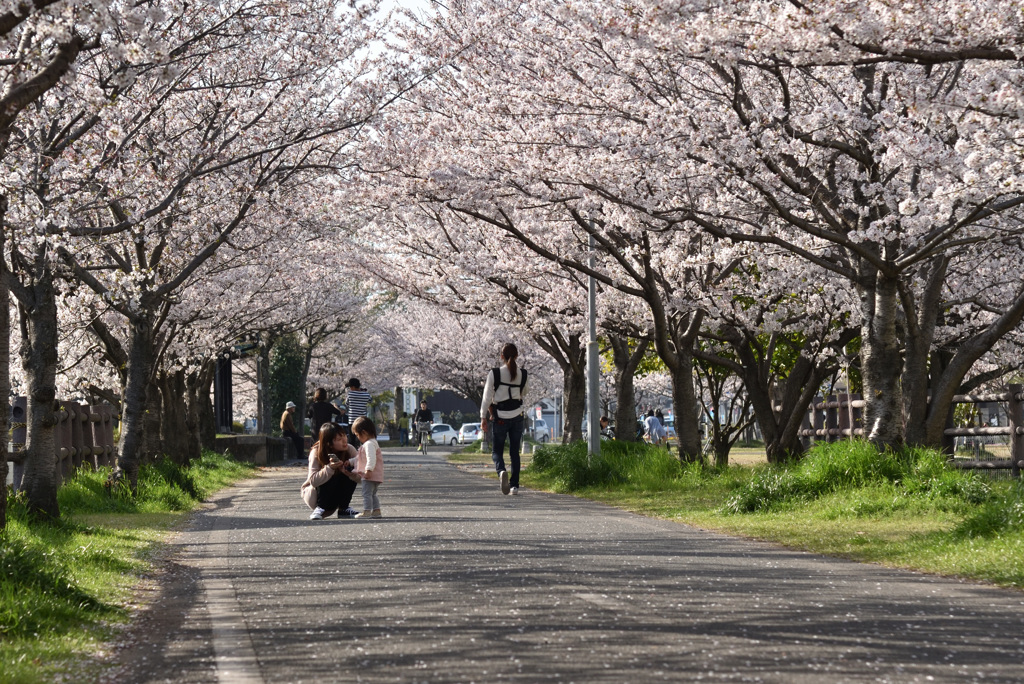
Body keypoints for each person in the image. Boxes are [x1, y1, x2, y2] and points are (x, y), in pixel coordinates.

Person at [481, 342, 528, 496]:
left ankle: (501, 471)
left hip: (500, 415)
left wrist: (483, 416)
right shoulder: (523, 374)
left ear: (501, 356)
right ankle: (514, 486)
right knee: (515, 452)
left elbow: (487, 396)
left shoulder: (495, 373)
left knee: (497, 451)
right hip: (517, 416)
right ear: (516, 356)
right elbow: (524, 393)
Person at [301, 423, 361, 520]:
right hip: (316, 497)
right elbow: (313, 481)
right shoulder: (316, 452)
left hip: (336, 496)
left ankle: (344, 509)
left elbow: (362, 478)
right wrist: (329, 468)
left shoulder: (349, 449)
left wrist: (350, 474)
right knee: (328, 474)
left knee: (348, 472)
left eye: (345, 436)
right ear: (329, 443)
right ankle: (320, 508)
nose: (344, 441)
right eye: (339, 439)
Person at [352, 416, 384, 518]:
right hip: (376, 474)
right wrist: (350, 462)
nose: (357, 437)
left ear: (364, 432)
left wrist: (368, 470)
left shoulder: (369, 444)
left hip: (369, 474)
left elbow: (371, 458)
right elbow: (360, 458)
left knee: (366, 494)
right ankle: (376, 510)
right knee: (373, 494)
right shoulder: (372, 443)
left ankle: (367, 511)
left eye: (357, 435)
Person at [345, 378, 371, 446]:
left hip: (352, 420)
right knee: (363, 439)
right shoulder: (366, 394)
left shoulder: (350, 394)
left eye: (350, 387)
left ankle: (353, 454)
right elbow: (370, 400)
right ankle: (364, 453)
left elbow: (346, 404)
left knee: (352, 440)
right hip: (362, 420)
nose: (350, 388)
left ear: (353, 387)